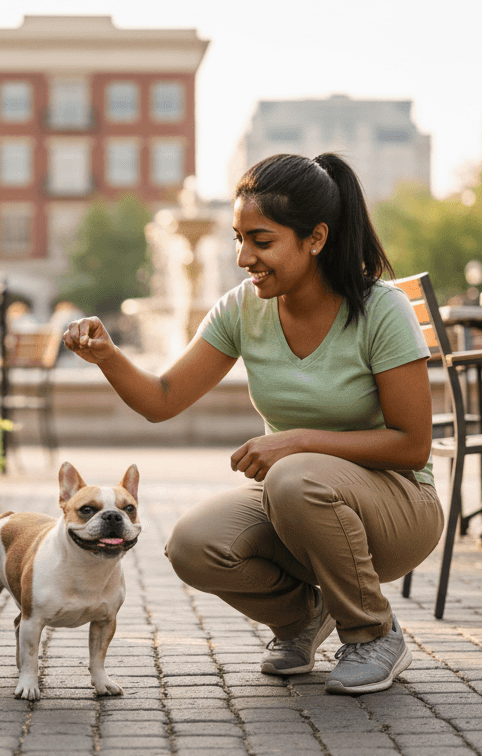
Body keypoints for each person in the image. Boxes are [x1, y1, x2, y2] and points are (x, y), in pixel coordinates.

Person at [61, 153, 442, 695]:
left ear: (315, 238)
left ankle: (373, 633)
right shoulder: (243, 308)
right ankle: (302, 618)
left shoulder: (381, 309)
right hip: (299, 499)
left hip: (398, 507)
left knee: (292, 476)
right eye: (239, 239)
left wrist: (296, 442)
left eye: (261, 241)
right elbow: (162, 400)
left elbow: (413, 445)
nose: (244, 258)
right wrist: (107, 356)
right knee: (193, 545)